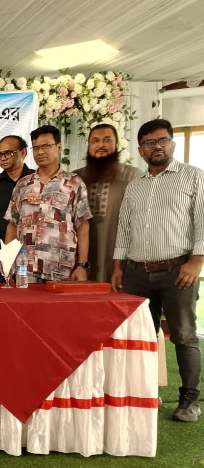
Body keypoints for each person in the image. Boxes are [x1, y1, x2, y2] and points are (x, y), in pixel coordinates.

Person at [112, 119, 203, 422]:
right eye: (150, 143)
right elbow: (124, 229)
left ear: (172, 143)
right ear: (141, 150)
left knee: (184, 336)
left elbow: (203, 220)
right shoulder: (135, 186)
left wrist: (197, 262)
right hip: (136, 273)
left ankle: (189, 400)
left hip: (178, 271)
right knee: (138, 337)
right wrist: (118, 266)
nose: (157, 146)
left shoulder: (193, 177)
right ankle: (142, 394)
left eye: (163, 140)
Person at [5, 125, 92, 282]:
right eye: (36, 148)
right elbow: (12, 224)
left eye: (46, 146)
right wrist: (7, 264)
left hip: (62, 270)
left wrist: (82, 265)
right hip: (25, 269)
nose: (40, 152)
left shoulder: (74, 183)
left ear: (58, 148)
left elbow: (83, 226)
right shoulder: (23, 184)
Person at [71, 124, 140, 283]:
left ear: (117, 145)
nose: (101, 145)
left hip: (120, 259)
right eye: (95, 141)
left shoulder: (134, 176)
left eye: (107, 140)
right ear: (89, 146)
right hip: (82, 260)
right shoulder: (75, 178)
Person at [0, 135, 33, 282]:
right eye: (0, 154)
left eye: (8, 153)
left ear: (23, 152)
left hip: (31, 258)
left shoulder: (36, 180)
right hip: (0, 257)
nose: (3, 158)